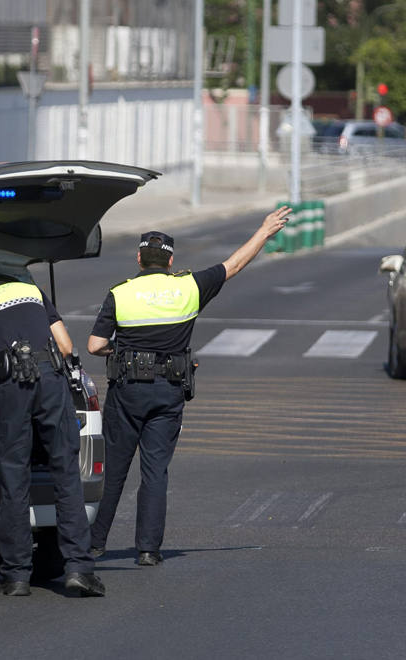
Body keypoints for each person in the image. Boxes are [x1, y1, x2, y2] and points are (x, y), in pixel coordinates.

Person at [84, 206, 292, 566]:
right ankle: (148, 550)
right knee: (155, 472)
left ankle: (95, 544)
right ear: (169, 261)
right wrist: (263, 232)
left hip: (127, 391)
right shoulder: (189, 287)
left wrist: (124, 349)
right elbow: (233, 265)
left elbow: (94, 346)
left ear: (138, 258)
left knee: (115, 470)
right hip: (168, 391)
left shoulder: (120, 293)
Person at [0, 277, 105, 598]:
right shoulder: (29, 290)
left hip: (9, 389)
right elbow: (67, 346)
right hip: (50, 378)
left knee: (14, 480)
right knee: (66, 473)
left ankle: (16, 577)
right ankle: (80, 570)